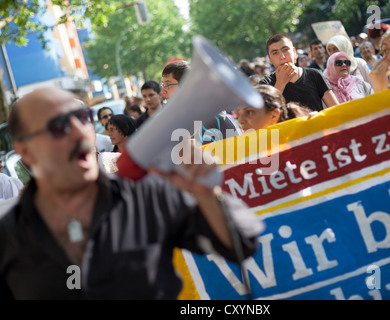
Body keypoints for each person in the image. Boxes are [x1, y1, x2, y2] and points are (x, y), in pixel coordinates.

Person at [1, 87, 263, 300]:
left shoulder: (147, 194)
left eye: (83, 118)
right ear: (25, 150)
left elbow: (241, 245)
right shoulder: (8, 237)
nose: (80, 132)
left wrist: (206, 192)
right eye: (58, 125)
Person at [161, 60, 242, 144]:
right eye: (163, 85)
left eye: (167, 85)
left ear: (186, 86)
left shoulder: (217, 119)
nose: (162, 91)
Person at [260, 33, 339, 112]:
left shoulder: (314, 75)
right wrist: (280, 82)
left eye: (285, 50)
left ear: (294, 52)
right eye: (275, 53)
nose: (282, 56)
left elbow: (336, 109)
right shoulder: (266, 84)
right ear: (270, 59)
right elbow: (265, 115)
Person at [233, 84, 313, 132]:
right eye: (240, 114)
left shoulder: (304, 137)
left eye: (250, 112)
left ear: (274, 114)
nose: (240, 121)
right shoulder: (244, 151)